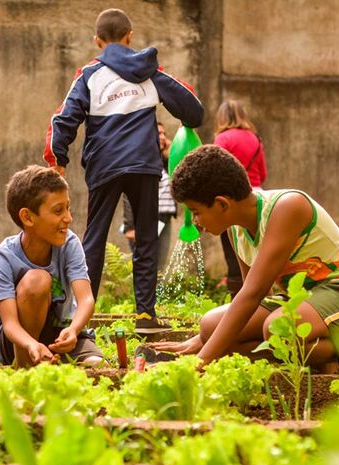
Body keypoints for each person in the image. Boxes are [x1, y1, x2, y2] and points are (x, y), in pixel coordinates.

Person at [156, 145, 339, 370]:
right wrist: (204, 340)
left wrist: (201, 360)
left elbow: (253, 294)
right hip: (304, 302)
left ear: (221, 204)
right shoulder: (235, 230)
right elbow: (251, 295)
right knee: (210, 325)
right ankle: (318, 355)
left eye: (196, 212)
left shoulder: (287, 207)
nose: (195, 222)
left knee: (276, 329)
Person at [43, 8, 204, 334]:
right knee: (146, 240)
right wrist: (186, 124)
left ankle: (78, 318)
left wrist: (57, 160)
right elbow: (192, 108)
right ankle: (145, 317)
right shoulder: (150, 72)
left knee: (94, 242)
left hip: (104, 166)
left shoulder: (89, 75)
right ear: (129, 36)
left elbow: (63, 120)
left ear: (98, 41)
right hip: (145, 166)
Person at [0, 165, 104, 367]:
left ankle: (49, 361)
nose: (68, 218)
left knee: (95, 364)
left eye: (68, 207)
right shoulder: (3, 258)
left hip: (61, 333)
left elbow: (86, 299)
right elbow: (11, 324)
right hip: (18, 341)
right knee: (37, 280)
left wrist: (74, 330)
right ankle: (25, 366)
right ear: (28, 217)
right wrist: (31, 344)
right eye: (58, 211)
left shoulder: (69, 243)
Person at [213, 100, 268, 296]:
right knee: (257, 251)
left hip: (231, 201)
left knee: (234, 254)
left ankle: (237, 297)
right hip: (257, 197)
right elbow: (262, 174)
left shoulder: (222, 139)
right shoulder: (255, 138)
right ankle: (260, 296)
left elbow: (215, 172)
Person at [122, 122, 177, 270]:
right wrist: (130, 226)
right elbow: (128, 194)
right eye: (158, 133)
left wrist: (171, 154)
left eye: (164, 134)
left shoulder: (165, 161)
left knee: (160, 266)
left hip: (165, 218)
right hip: (147, 217)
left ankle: (154, 294)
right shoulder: (140, 160)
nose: (163, 137)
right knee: (146, 266)